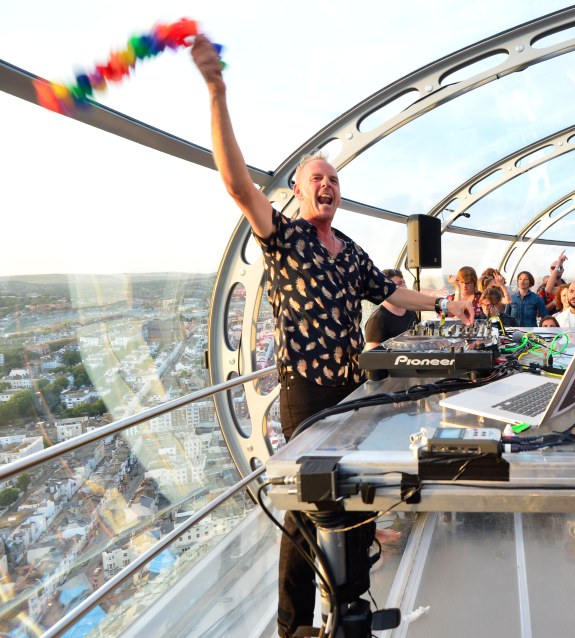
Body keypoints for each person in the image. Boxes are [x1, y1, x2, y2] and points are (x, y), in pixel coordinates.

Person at [191, 35, 473, 638]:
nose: (328, 187)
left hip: (351, 390)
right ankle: (293, 626)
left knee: (357, 500)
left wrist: (447, 301)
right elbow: (237, 184)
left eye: (335, 181)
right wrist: (217, 94)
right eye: (318, 178)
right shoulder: (282, 238)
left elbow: (394, 294)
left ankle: (348, 610)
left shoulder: (350, 252)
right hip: (306, 395)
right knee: (304, 507)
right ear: (296, 189)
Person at [364, 269, 418, 349]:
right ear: (386, 289)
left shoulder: (411, 312)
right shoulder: (377, 320)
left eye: (404, 282)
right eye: (399, 283)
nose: (404, 287)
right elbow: (372, 356)